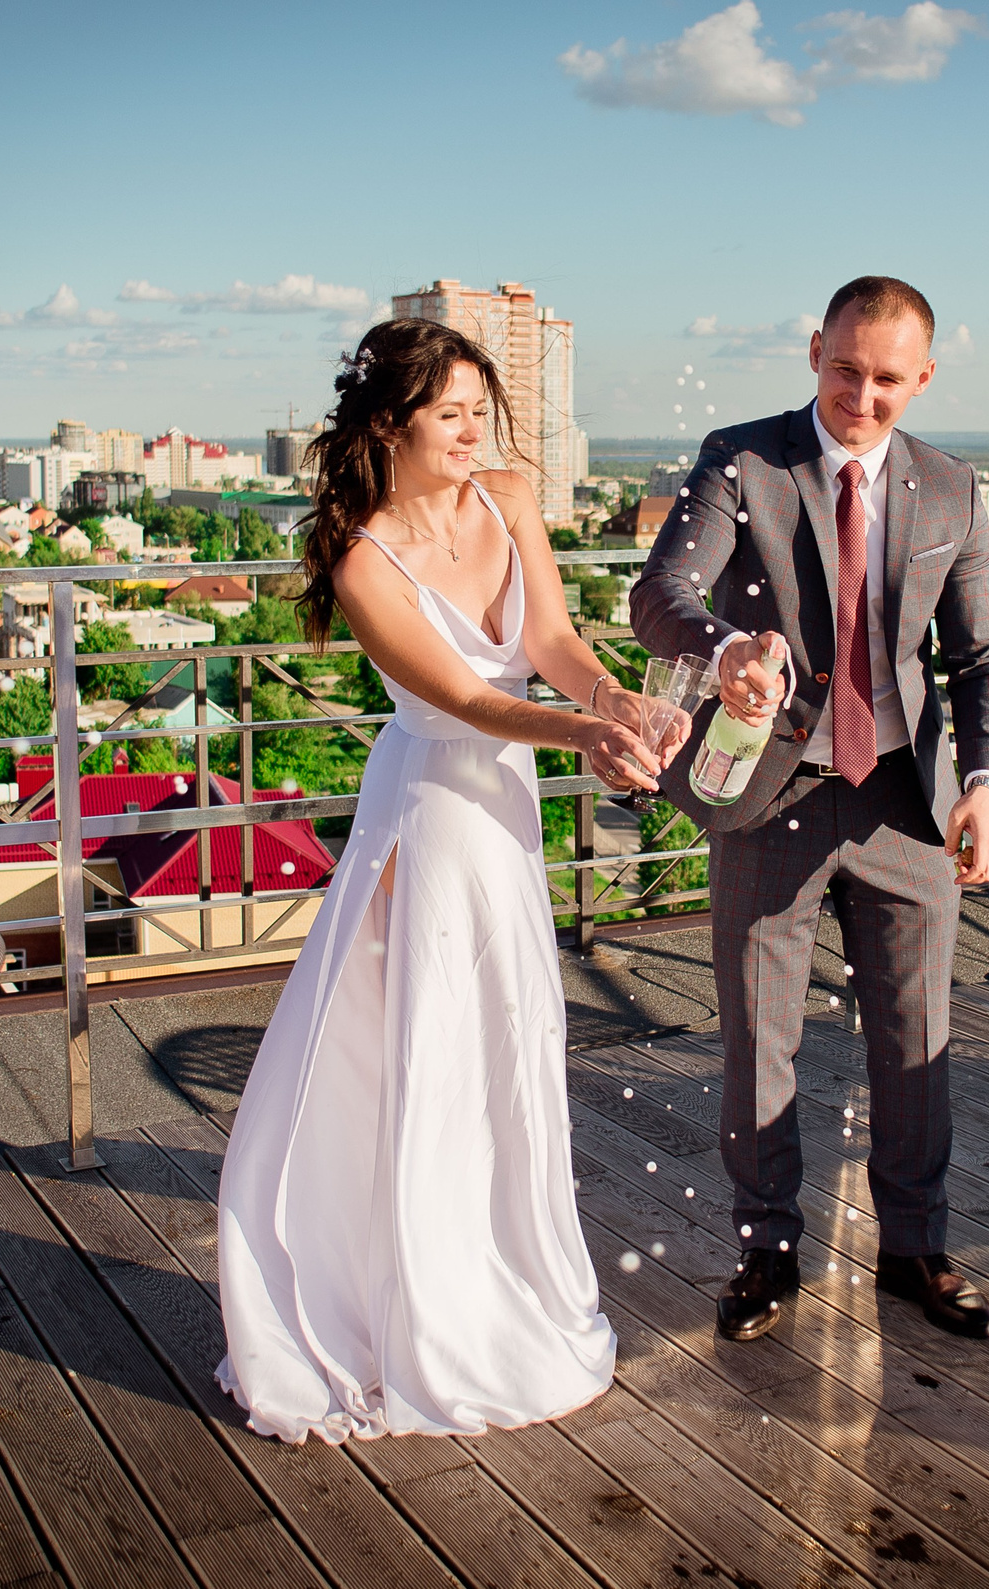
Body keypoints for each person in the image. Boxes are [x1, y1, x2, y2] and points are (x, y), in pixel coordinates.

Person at [216, 318, 665, 1442]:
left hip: (503, 808)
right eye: (450, 416)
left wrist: (616, 701)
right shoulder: (360, 556)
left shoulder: (510, 495)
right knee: (424, 1055)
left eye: (482, 412)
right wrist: (579, 734)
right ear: (388, 425)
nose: (474, 435)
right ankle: (411, 1312)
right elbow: (464, 701)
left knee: (509, 1046)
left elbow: (553, 640)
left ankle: (506, 1281)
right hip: (427, 809)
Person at [630, 276, 989, 1343]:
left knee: (915, 1037)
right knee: (760, 1039)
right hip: (770, 794)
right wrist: (726, 650)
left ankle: (916, 1250)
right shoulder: (741, 459)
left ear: (922, 378)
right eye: (845, 368)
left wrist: (983, 785)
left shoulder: (951, 487)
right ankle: (765, 1252)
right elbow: (658, 596)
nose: (862, 394)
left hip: (904, 798)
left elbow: (981, 657)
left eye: (888, 378)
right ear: (813, 351)